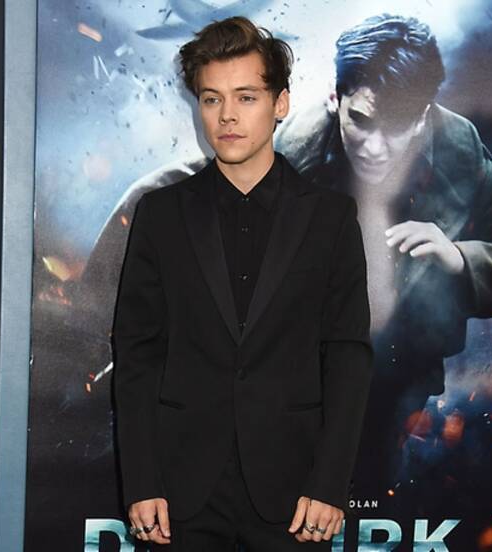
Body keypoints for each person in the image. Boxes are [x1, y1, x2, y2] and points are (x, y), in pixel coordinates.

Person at [111, 16, 374, 550]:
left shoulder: (330, 217)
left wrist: (329, 484)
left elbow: (347, 354)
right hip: (177, 494)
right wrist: (141, 481)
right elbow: (137, 354)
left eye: (246, 97)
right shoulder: (161, 214)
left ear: (280, 104)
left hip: (296, 494)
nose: (227, 115)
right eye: (212, 99)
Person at [275, 14, 492, 507]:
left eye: (398, 125)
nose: (375, 147)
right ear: (334, 99)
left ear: (423, 116)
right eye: (361, 121)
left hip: (404, 372)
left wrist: (460, 259)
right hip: (301, 376)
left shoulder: (458, 146)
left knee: (378, 496)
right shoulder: (288, 159)